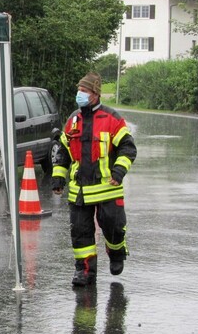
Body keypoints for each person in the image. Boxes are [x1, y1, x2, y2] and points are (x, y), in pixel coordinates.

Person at [52, 72, 137, 287]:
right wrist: (58, 179)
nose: (79, 94)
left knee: (114, 227)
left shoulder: (112, 119)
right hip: (79, 191)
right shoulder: (72, 120)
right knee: (80, 233)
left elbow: (128, 148)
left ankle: (117, 252)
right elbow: (63, 151)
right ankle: (85, 271)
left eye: (84, 91)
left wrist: (118, 172)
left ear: (95, 94)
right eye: (78, 90)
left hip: (108, 188)